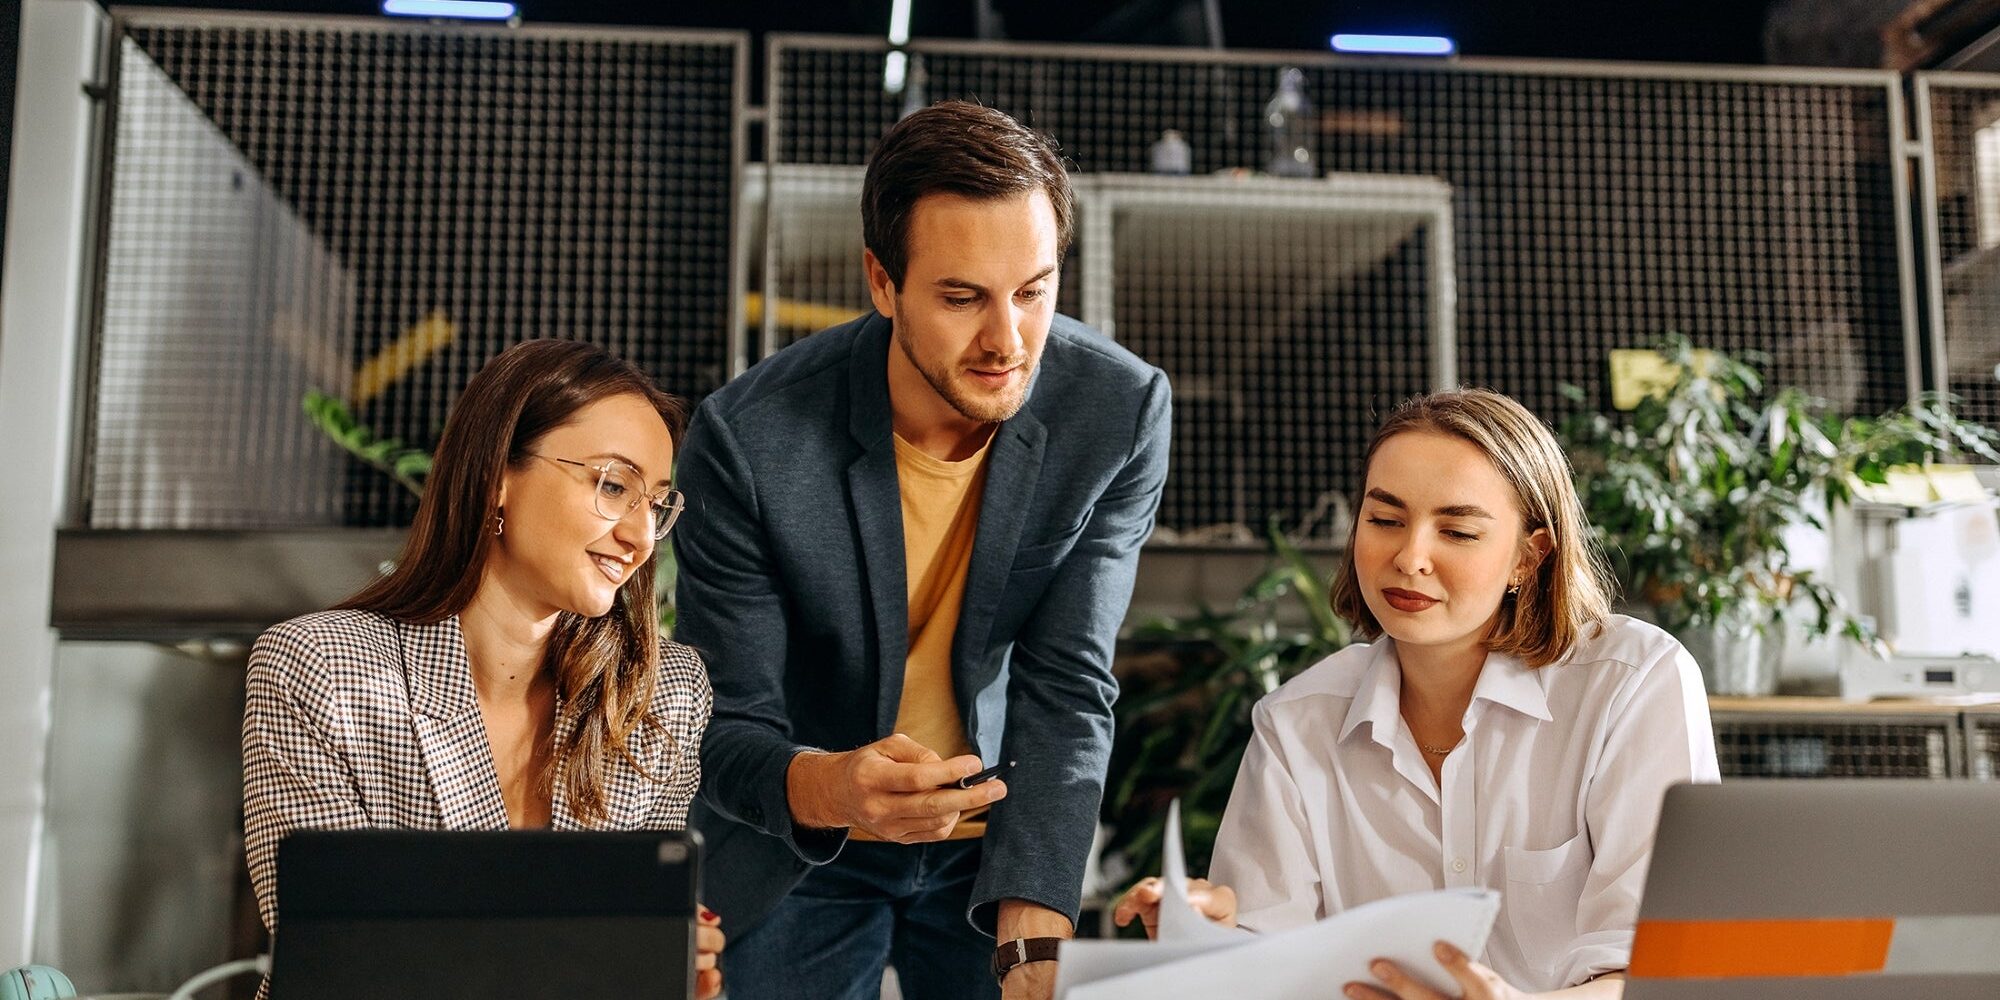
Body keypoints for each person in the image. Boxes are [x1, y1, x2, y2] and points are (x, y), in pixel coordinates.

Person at [673, 100, 1171, 1000]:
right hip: (803, 840)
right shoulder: (749, 440)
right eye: (961, 297)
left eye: (1033, 291)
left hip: (998, 840)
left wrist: (1033, 926)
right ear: (882, 280)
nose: (1007, 342)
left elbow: (1068, 682)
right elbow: (727, 721)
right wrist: (836, 788)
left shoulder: (1117, 411)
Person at [1113, 388, 1719, 1000]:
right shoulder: (1297, 722)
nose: (1410, 558)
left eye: (1457, 531)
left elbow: (1666, 974)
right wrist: (1219, 948)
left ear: (1529, 557)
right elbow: (1274, 968)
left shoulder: (1633, 684)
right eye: (1384, 521)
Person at [241, 339, 725, 998]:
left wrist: (666, 969)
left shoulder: (662, 692)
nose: (640, 537)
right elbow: (333, 957)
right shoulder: (322, 667)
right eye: (614, 486)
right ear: (498, 474)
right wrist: (598, 953)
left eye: (656, 504)